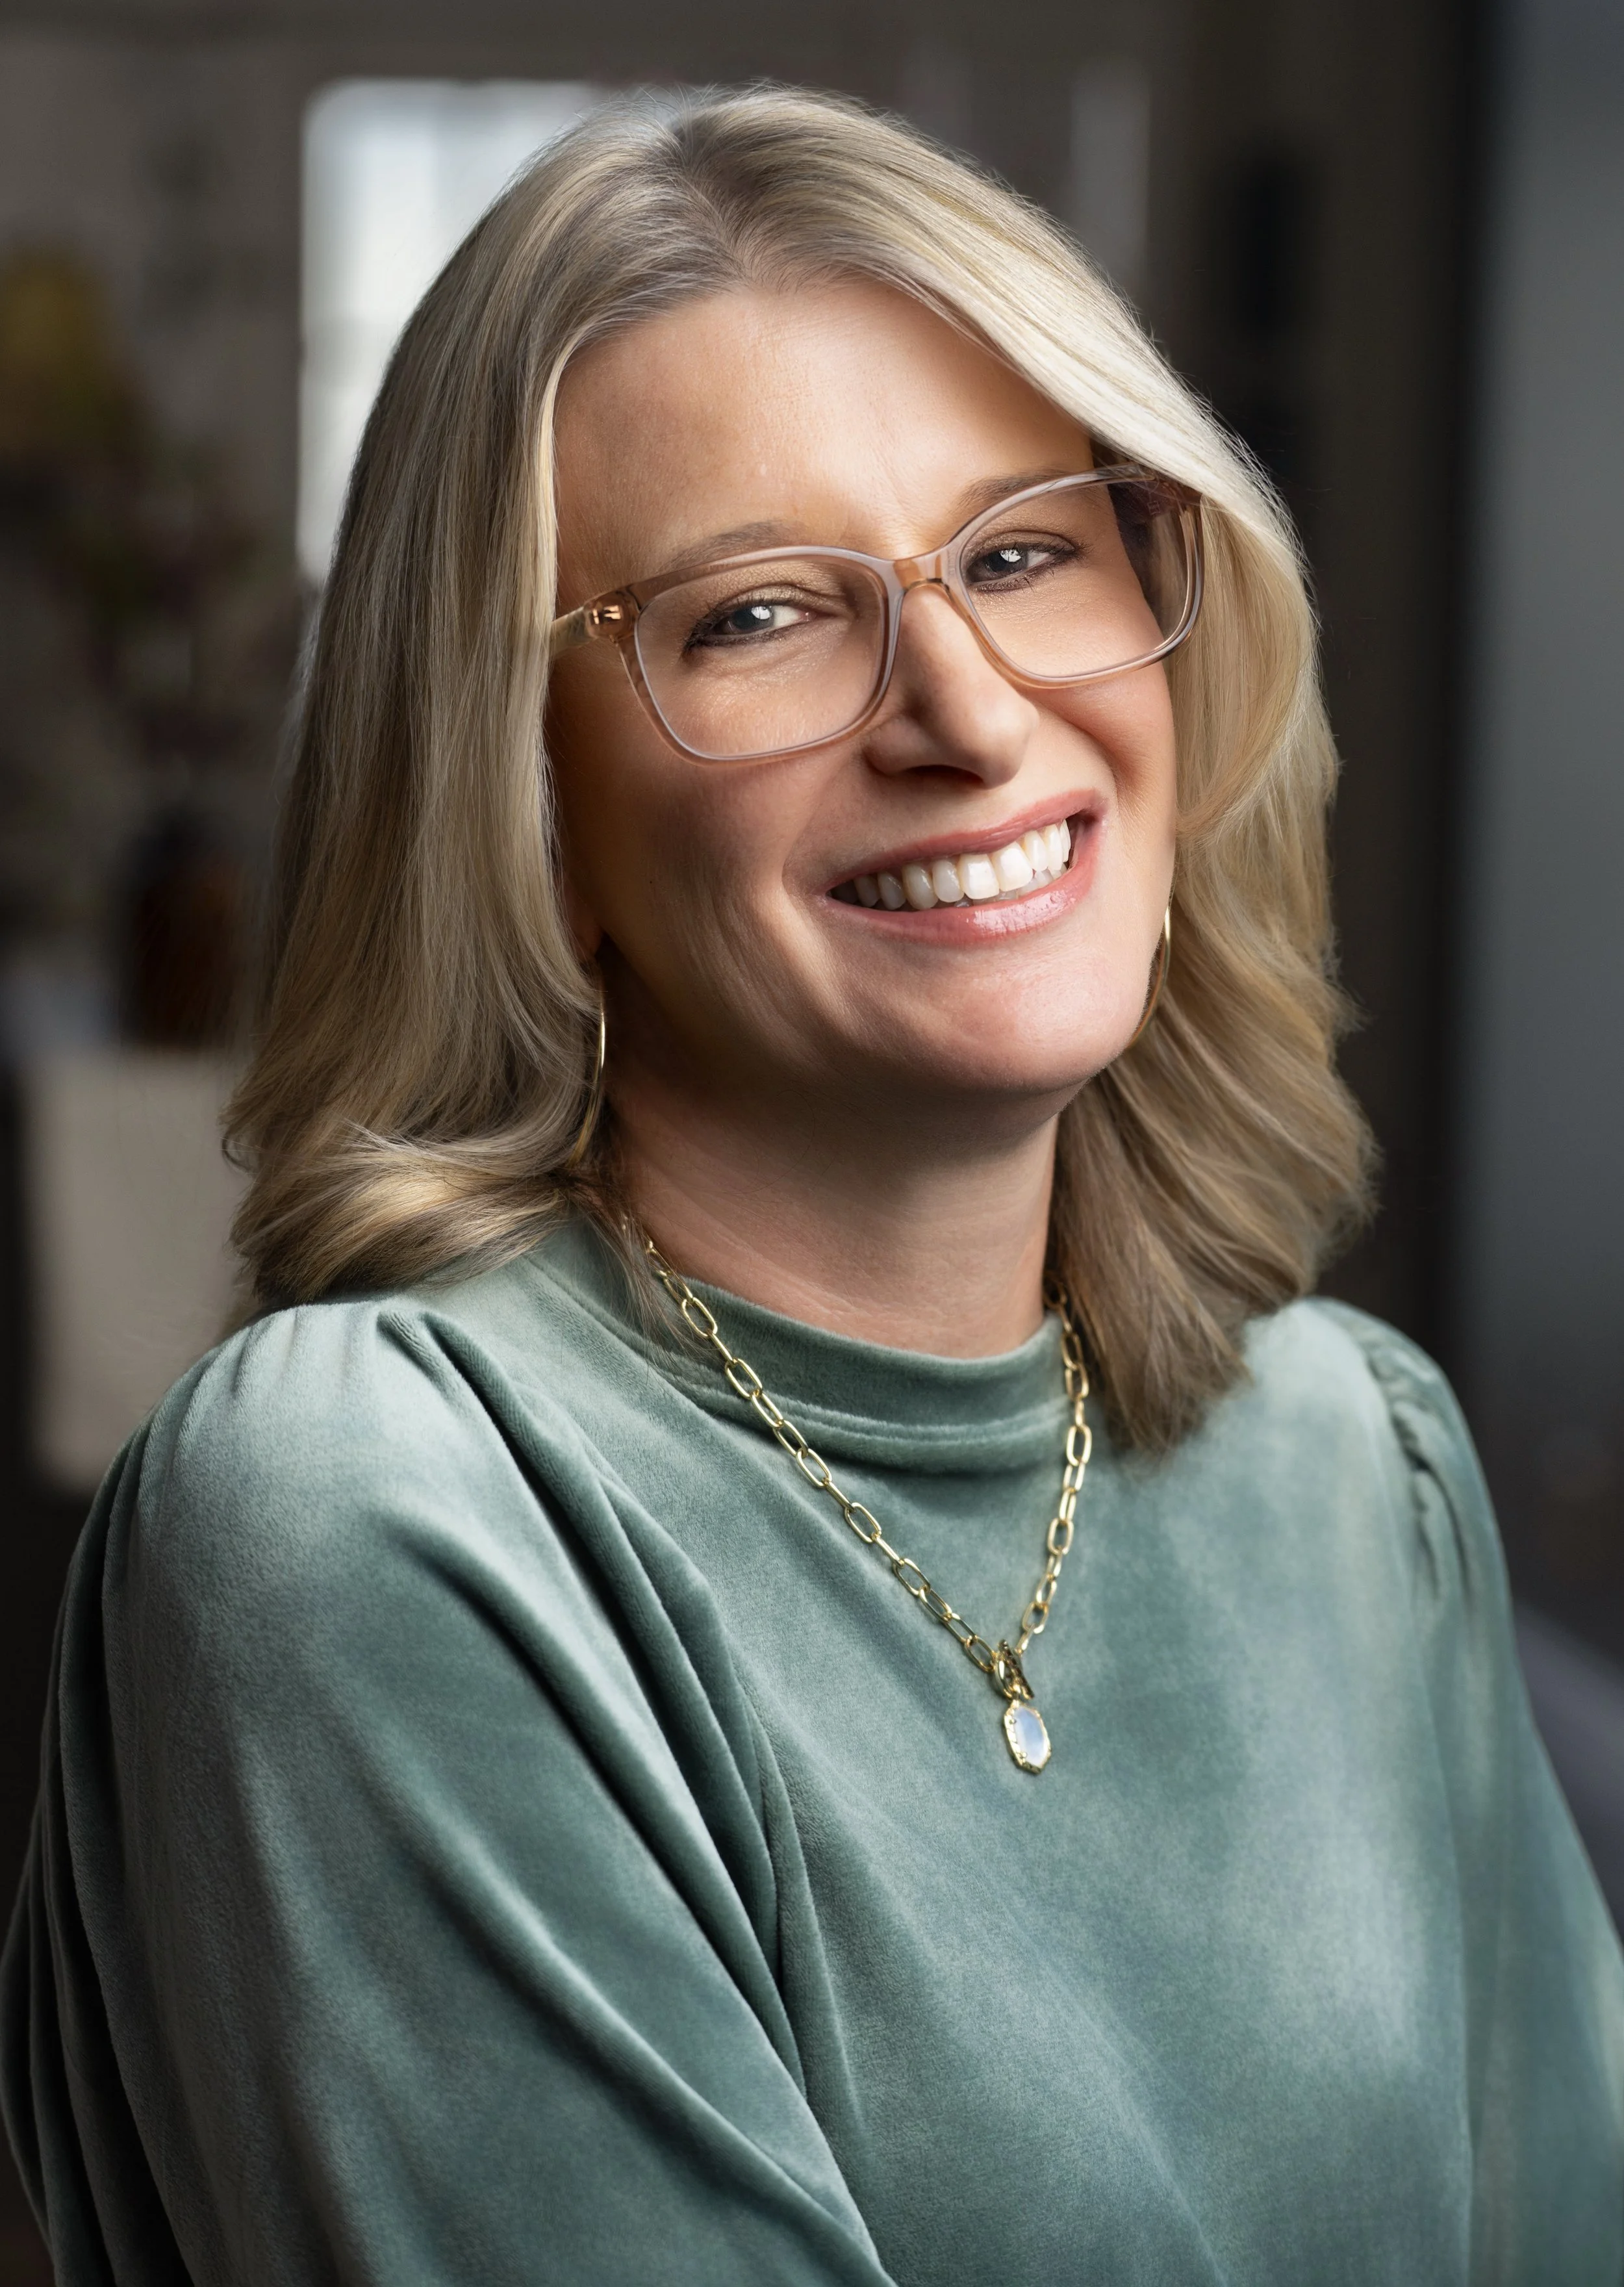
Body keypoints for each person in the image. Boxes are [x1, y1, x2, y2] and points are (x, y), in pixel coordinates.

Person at [3, 84, 1619, 2287]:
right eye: (757, 615)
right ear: (524, 814)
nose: (968, 711)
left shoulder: (1362, 1461)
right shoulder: (372, 1509)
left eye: (1025, 553)